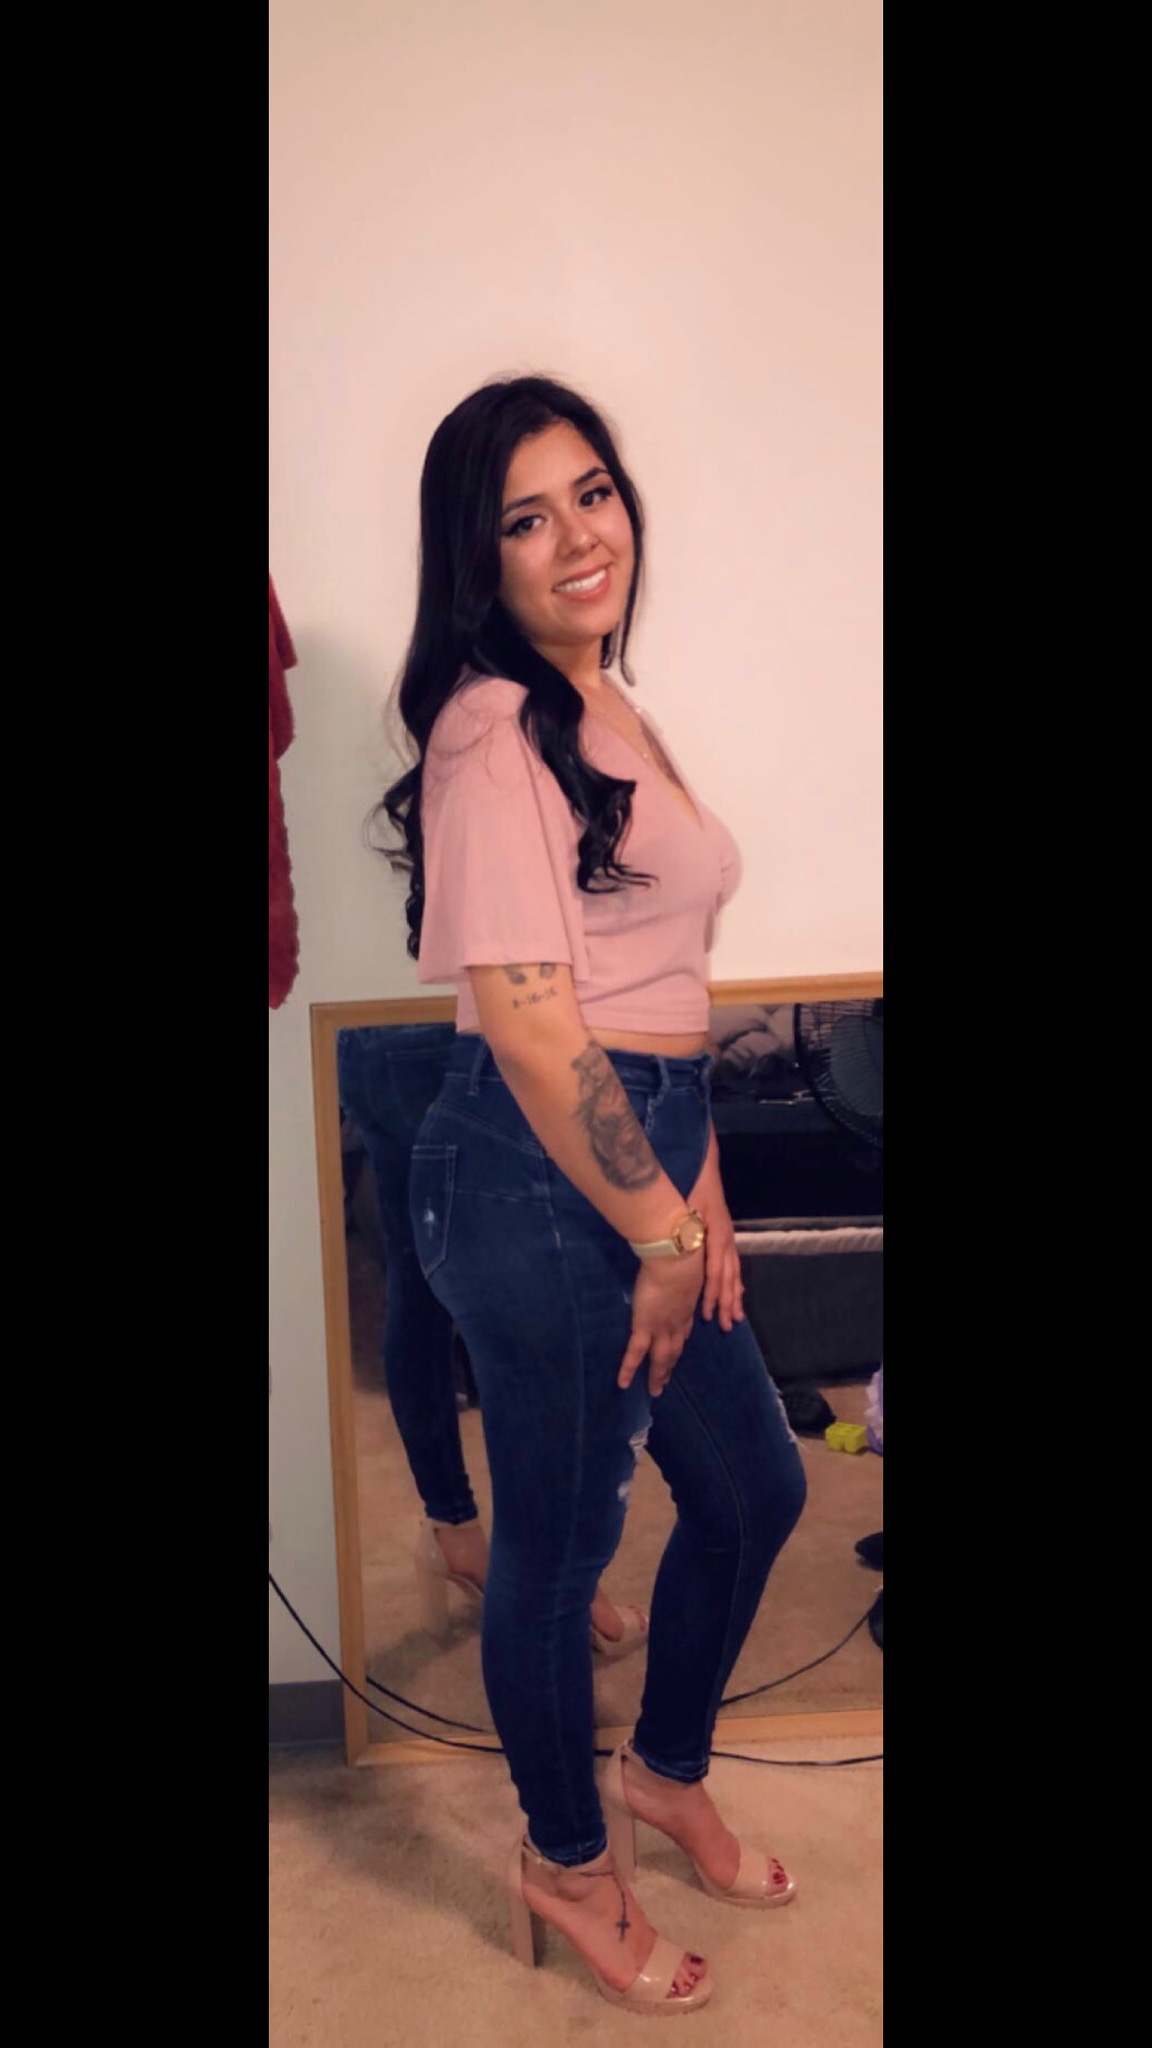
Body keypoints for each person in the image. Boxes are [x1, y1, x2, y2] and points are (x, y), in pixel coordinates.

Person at [378, 375, 807, 2015]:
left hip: (640, 1153)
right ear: (475, 557)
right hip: (536, 1171)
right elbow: (534, 1015)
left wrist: (701, 1187)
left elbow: (662, 985)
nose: (577, 536)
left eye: (594, 492)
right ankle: (566, 1863)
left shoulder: (601, 699)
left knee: (755, 1489)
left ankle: (661, 1770)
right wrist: (659, 1224)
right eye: (525, 516)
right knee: (560, 1559)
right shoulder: (489, 726)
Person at [336, 1021, 649, 1655]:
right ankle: (556, 1574)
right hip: (451, 1029)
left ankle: (455, 1532)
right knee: (532, 1288)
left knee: (416, 1281)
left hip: (366, 1040)